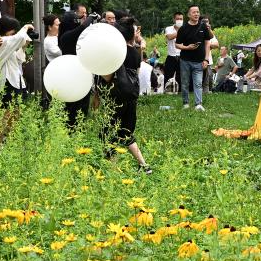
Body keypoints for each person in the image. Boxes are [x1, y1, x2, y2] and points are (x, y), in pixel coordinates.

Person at [100, 17, 151, 173]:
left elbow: (108, 77)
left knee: (107, 133)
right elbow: (136, 73)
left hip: (116, 96)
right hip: (132, 96)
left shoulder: (116, 52)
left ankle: (113, 171)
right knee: (126, 132)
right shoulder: (136, 53)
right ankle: (144, 165)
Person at [58, 10, 93, 128]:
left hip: (78, 73)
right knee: (73, 105)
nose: (78, 22)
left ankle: (77, 128)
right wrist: (90, 18)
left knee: (81, 105)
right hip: (73, 74)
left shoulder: (71, 36)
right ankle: (72, 128)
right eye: (76, 20)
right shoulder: (67, 36)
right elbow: (82, 27)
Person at [174, 6, 213, 111]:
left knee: (198, 83)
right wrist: (187, 47)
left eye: (198, 12)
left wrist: (206, 59)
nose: (196, 14)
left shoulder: (203, 27)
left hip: (199, 61)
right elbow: (177, 45)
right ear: (189, 15)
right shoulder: (183, 28)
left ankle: (198, 104)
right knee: (185, 83)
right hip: (185, 60)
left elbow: (207, 43)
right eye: (194, 12)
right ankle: (185, 103)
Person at [0, 15, 33, 107]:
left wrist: (23, 46)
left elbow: (19, 60)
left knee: (16, 113)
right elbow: (19, 37)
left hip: (15, 80)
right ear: (6, 30)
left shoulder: (9, 43)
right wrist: (26, 27)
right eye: (13, 31)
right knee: (8, 114)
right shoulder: (1, 41)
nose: (15, 33)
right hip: (8, 82)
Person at [162, 12, 184, 92]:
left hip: (182, 56)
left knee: (181, 76)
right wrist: (180, 31)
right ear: (174, 19)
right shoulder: (168, 28)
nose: (179, 21)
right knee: (168, 76)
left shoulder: (186, 28)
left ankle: (180, 92)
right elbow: (169, 37)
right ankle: (166, 91)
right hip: (171, 56)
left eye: (181, 19)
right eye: (177, 19)